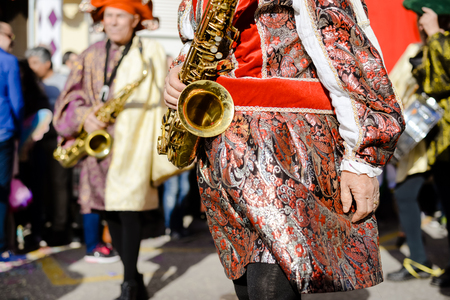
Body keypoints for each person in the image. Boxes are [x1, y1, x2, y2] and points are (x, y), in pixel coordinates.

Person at [164, 0, 404, 298]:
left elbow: (348, 54)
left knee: (271, 286)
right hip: (220, 140)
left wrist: (363, 157)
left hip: (288, 142)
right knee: (247, 281)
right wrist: (178, 71)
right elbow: (195, 40)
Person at [53, 0, 172, 298]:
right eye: (109, 16)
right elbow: (69, 99)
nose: (113, 22)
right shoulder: (89, 54)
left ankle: (129, 281)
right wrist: (84, 117)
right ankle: (133, 276)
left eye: (121, 16)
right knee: (111, 214)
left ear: (135, 21)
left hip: (135, 147)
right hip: (99, 151)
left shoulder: (151, 53)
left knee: (129, 211)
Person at [386, 1, 450, 287]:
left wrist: (435, 34)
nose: (421, 23)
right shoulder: (419, 49)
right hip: (429, 143)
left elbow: (440, 82)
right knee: (408, 195)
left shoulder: (438, 44)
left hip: (437, 142)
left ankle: (422, 261)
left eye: (426, 18)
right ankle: (422, 262)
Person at [25, 46, 73, 246]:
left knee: (59, 184)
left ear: (47, 63)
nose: (31, 67)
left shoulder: (63, 82)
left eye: (35, 62)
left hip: (59, 138)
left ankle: (60, 229)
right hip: (37, 141)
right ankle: (42, 227)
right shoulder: (32, 83)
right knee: (40, 185)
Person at [0, 22, 24, 259]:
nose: (12, 40)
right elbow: (17, 101)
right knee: (1, 191)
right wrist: (18, 132)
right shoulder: (8, 61)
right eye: (10, 36)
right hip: (3, 132)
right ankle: (2, 247)